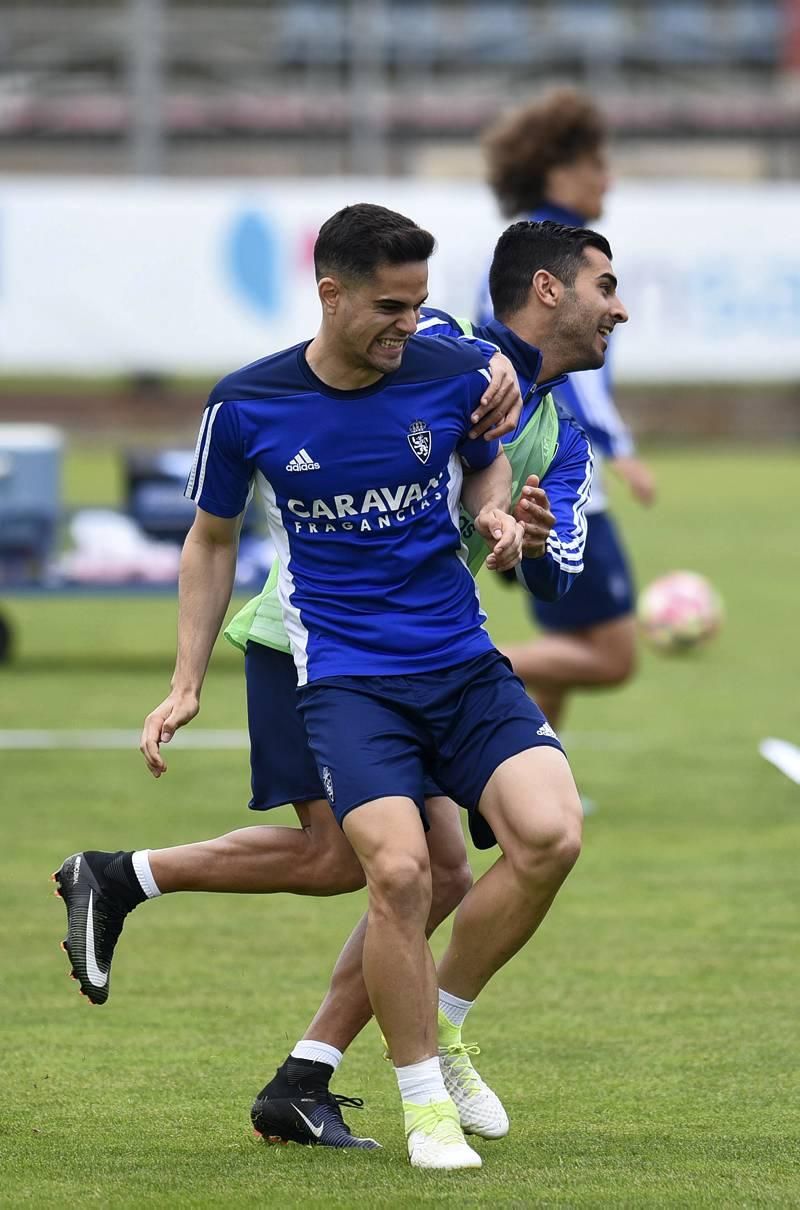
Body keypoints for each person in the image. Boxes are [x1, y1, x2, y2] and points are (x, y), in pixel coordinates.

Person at [54, 206, 614, 1170]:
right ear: (549, 290)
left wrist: (509, 526)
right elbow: (216, 532)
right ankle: (129, 882)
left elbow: (552, 568)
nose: (622, 312)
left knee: (428, 868)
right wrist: (184, 682)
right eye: (606, 288)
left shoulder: (540, 424)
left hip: (439, 651)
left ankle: (317, 1066)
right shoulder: (445, 356)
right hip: (306, 644)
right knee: (368, 865)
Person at [479, 89, 656, 749]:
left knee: (565, 645)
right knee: (612, 657)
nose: (606, 177)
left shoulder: (543, 249)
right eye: (593, 165)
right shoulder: (554, 261)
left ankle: (524, 782)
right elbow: (554, 377)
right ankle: (454, 666)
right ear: (557, 172)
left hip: (522, 469)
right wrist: (619, 448)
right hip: (549, 468)